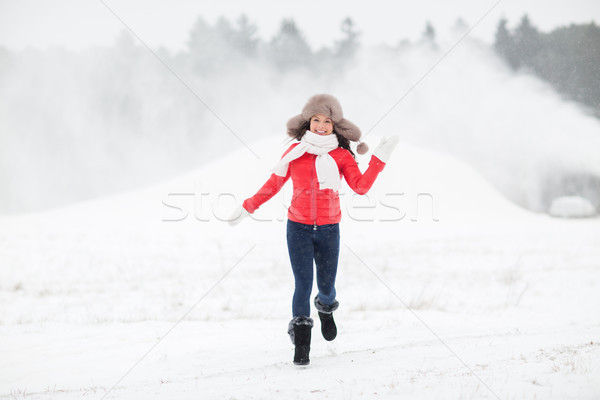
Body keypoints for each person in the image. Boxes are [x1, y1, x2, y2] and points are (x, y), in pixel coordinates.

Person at [229, 94, 399, 365]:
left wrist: (380, 157)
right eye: (316, 119)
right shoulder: (295, 153)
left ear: (335, 126)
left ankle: (326, 308)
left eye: (327, 121)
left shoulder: (342, 156)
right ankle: (302, 345)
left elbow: (361, 186)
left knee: (326, 286)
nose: (321, 125)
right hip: (298, 228)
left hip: (330, 229)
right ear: (307, 122)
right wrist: (248, 207)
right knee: (302, 283)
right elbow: (273, 184)